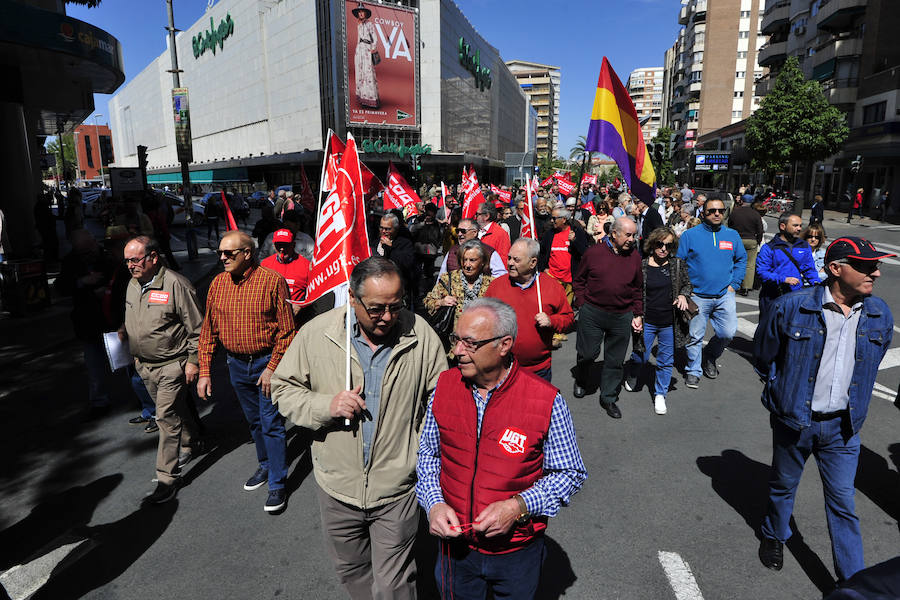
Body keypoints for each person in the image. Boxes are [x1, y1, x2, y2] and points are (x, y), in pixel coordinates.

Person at [272, 257, 447, 599]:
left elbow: (441, 402)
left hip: (396, 488)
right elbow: (283, 389)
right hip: (336, 487)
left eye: (395, 307)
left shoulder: (420, 334)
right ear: (352, 298)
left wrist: (416, 455)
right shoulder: (316, 333)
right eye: (376, 308)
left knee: (394, 584)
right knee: (352, 572)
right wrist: (326, 406)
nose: (386, 317)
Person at [416, 298, 587, 599]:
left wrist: (518, 506)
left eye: (470, 343)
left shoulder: (545, 400)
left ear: (504, 345)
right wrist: (434, 504)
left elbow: (569, 472)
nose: (457, 351)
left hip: (517, 553)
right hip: (455, 551)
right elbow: (429, 455)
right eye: (457, 340)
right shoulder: (443, 387)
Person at [754, 236, 895, 581]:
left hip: (843, 428)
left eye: (876, 265)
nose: (875, 273)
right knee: (783, 485)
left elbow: (872, 363)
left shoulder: (878, 313)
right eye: (864, 266)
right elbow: (763, 355)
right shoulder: (792, 306)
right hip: (795, 421)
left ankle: (853, 583)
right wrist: (780, 392)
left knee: (843, 503)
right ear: (835, 269)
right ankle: (774, 535)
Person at [197, 231, 295, 512]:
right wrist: (205, 371)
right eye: (220, 253)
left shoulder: (272, 281)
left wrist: (273, 368)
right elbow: (208, 331)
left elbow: (287, 332)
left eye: (229, 253)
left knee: (272, 423)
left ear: (248, 253)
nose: (223, 258)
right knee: (254, 421)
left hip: (266, 363)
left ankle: (277, 483)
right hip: (236, 365)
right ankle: (265, 465)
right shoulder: (217, 284)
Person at [122, 236, 204, 504]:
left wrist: (194, 361)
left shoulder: (176, 285)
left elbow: (198, 329)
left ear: (153, 258)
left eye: (135, 260)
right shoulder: (133, 284)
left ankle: (167, 477)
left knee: (165, 418)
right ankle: (193, 441)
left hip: (172, 365)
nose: (130, 266)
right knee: (176, 409)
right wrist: (126, 331)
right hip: (144, 366)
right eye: (127, 261)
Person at [572, 217, 643, 419]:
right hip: (593, 312)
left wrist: (637, 313)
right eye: (628, 235)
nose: (631, 239)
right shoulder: (594, 253)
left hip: (621, 316)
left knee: (615, 360)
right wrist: (582, 303)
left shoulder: (635, 257)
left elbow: (638, 288)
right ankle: (582, 379)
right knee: (587, 354)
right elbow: (579, 280)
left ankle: (609, 398)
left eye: (634, 235)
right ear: (614, 234)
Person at [676, 196, 747, 389]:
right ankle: (693, 370)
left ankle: (710, 356)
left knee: (727, 333)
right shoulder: (690, 235)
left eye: (720, 211)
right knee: (694, 336)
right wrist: (683, 291)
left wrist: (734, 284)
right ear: (703, 213)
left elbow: (742, 259)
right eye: (712, 211)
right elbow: (679, 263)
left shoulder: (732, 235)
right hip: (697, 296)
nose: (717, 214)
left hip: (725, 295)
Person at [485, 238, 574, 382]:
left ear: (533, 262)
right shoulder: (497, 287)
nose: (510, 263)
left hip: (539, 369)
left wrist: (552, 321)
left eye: (516, 260)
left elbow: (568, 318)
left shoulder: (551, 286)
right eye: (509, 258)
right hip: (503, 367)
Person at [624, 227, 691, 415]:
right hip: (646, 320)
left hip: (669, 321)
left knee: (665, 360)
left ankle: (660, 393)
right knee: (640, 355)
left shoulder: (677, 264)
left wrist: (684, 295)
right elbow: (633, 291)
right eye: (659, 244)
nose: (663, 248)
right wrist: (634, 314)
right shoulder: (642, 265)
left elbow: (687, 284)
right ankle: (634, 372)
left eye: (668, 245)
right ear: (652, 244)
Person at [424, 239, 494, 348]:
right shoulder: (448, 279)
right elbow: (427, 302)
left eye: (472, 260)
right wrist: (441, 302)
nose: (467, 265)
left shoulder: (491, 284)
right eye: (464, 260)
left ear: (483, 262)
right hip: (452, 346)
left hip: (480, 344)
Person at [756, 213, 820, 319]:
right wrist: (784, 279)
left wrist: (817, 284)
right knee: (767, 329)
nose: (799, 228)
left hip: (795, 296)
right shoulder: (769, 248)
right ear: (783, 226)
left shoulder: (804, 246)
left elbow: (809, 269)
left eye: (800, 225)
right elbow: (762, 272)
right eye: (795, 225)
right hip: (772, 295)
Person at [538, 206, 590, 310]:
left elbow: (585, 252)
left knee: (565, 310)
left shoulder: (576, 232)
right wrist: (543, 269)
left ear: (564, 219)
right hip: (552, 278)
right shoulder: (549, 234)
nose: (552, 221)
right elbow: (542, 253)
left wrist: (574, 240)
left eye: (555, 218)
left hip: (569, 281)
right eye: (551, 218)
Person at [260, 228, 311, 315]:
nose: (282, 249)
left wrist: (301, 305)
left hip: (296, 319)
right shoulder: (265, 264)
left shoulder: (306, 265)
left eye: (285, 245)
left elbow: (314, 294)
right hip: (271, 318)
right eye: (278, 245)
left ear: (293, 245)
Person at [438, 218, 506, 278]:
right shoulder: (452, 251)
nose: (459, 234)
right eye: (457, 231)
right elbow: (442, 277)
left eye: (463, 231)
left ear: (474, 232)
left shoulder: (488, 252)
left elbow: (500, 277)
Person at [728, 195, 765, 296]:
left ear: (741, 201)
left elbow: (729, 226)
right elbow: (760, 230)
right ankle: (746, 287)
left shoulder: (735, 212)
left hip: (737, 240)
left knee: (735, 262)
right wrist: (758, 241)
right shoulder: (755, 214)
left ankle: (735, 284)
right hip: (751, 240)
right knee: (750, 265)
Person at [352, 2, 380, 109]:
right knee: (360, 73)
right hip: (360, 49)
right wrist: (357, 50)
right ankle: (363, 98)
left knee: (368, 73)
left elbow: (375, 37)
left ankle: (371, 98)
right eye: (359, 12)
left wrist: (373, 49)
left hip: (367, 49)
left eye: (362, 12)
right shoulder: (358, 25)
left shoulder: (370, 24)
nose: (360, 14)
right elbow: (359, 39)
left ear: (365, 13)